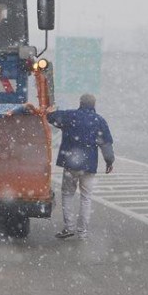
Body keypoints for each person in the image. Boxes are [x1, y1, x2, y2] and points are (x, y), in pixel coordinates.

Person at [47, 94, 114, 240]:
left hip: (71, 164)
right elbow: (106, 144)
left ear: (80, 103)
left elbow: (51, 118)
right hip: (89, 166)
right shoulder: (99, 121)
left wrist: (50, 111)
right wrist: (109, 161)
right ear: (94, 104)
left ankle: (69, 227)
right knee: (86, 198)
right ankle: (82, 231)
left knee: (67, 194)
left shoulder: (70, 116)